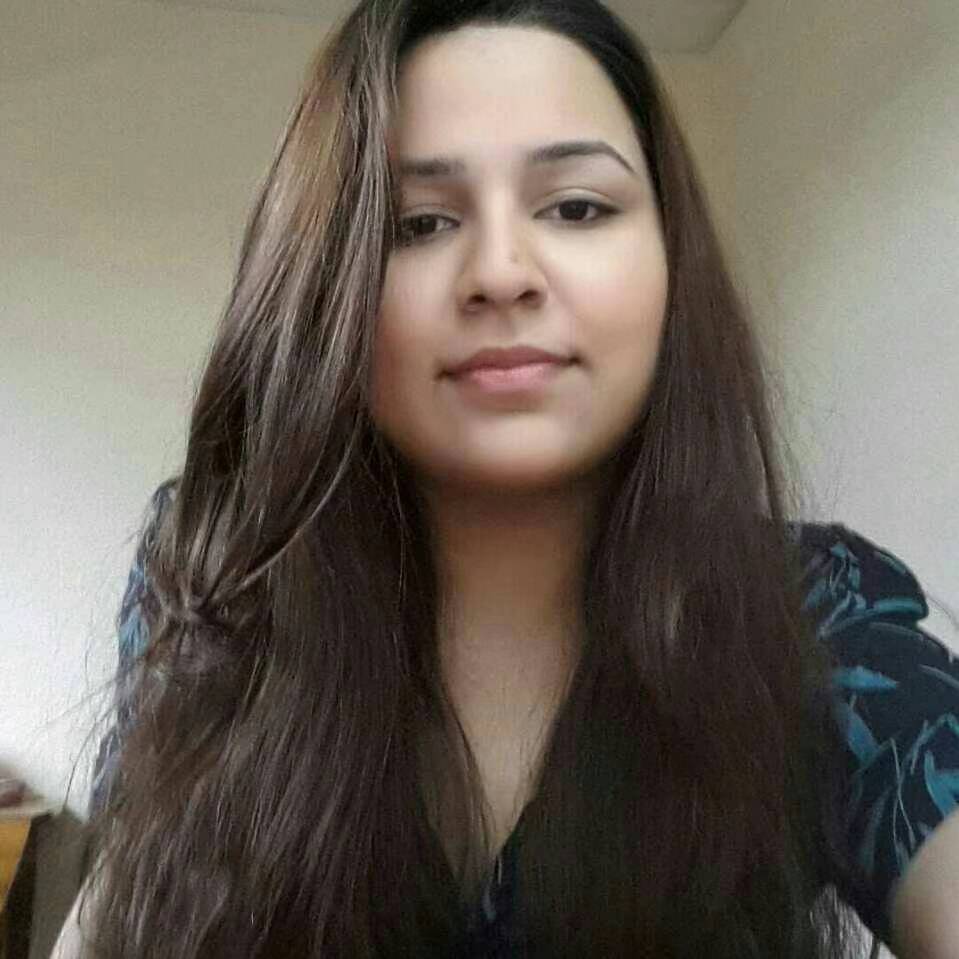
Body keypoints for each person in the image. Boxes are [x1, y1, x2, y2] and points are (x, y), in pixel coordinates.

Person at [52, 0, 959, 956]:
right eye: (417, 223)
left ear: (669, 260)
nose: (499, 271)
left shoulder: (815, 611)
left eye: (576, 207)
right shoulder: (223, 575)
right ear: (324, 287)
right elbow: (119, 909)